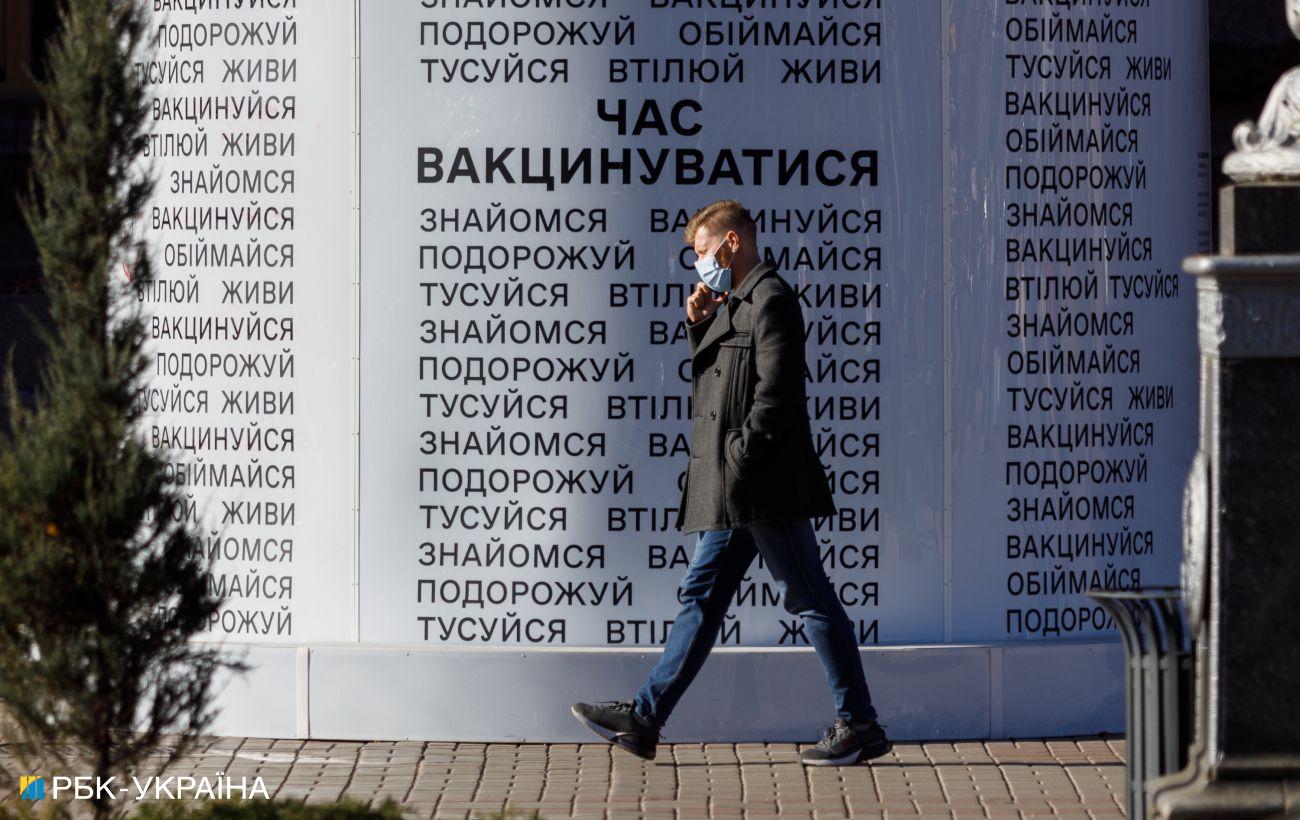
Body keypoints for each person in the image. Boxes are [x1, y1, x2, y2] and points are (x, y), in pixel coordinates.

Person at [570, 199, 890, 766]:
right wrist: (700, 324)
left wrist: (741, 458)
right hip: (734, 488)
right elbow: (722, 380)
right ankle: (645, 719)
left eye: (703, 251)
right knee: (702, 596)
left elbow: (777, 393)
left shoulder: (771, 299)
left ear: (732, 243)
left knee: (809, 598)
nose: (700, 263)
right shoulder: (735, 302)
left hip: (762, 487)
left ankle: (860, 724)